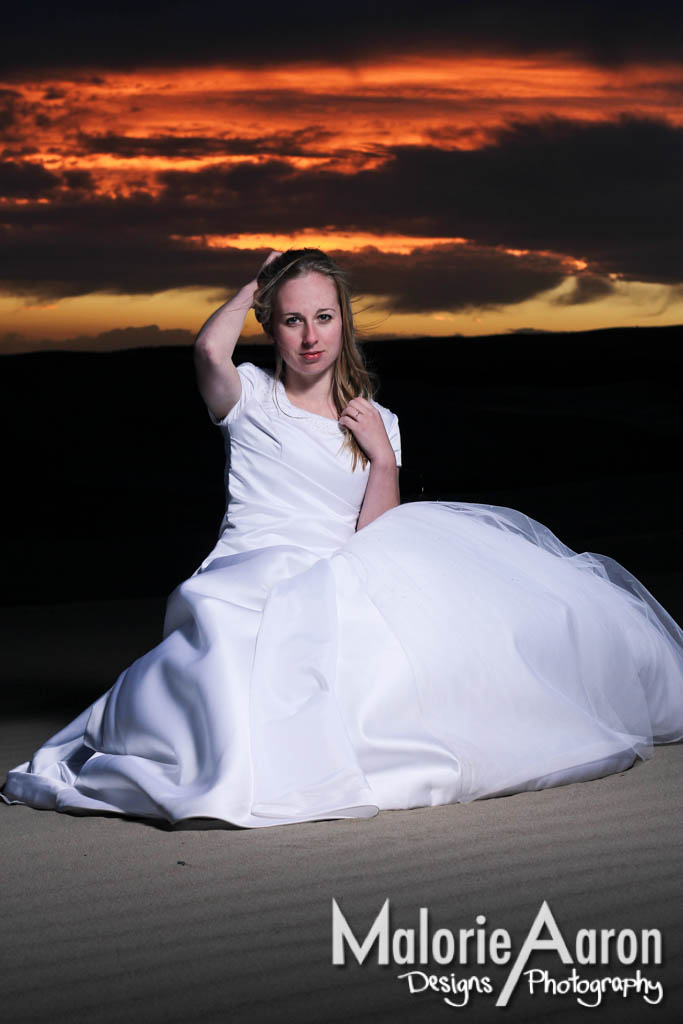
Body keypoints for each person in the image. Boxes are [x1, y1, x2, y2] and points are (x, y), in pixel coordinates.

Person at [2, 248, 682, 829]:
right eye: (291, 320)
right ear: (270, 325)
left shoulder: (374, 417)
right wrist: (254, 283)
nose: (308, 337)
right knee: (225, 662)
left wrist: (382, 457)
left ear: (342, 323)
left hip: (346, 563)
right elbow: (209, 347)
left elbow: (376, 535)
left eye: (322, 318)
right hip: (254, 566)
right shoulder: (249, 398)